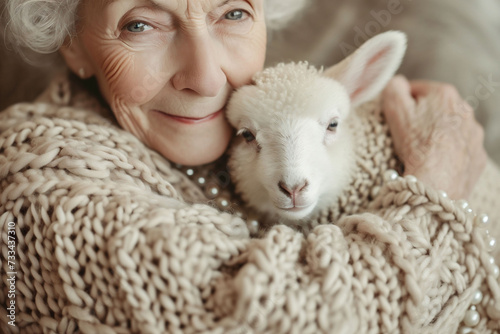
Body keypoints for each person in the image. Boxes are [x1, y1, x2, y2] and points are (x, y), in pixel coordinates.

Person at [1, 0, 499, 333]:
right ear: (73, 42)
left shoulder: (249, 132)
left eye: (233, 12)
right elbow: (272, 318)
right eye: (140, 23)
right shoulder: (42, 192)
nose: (205, 75)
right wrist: (437, 189)